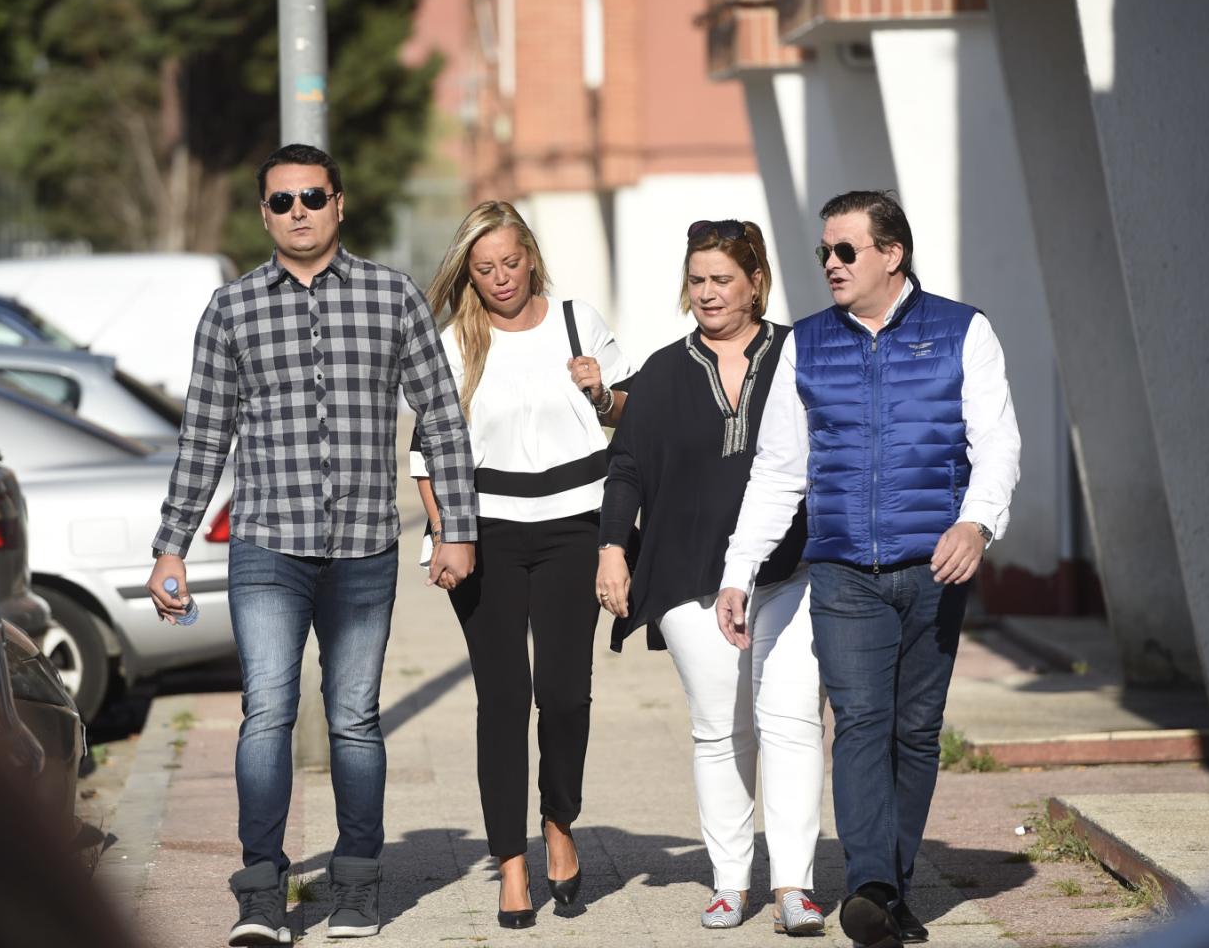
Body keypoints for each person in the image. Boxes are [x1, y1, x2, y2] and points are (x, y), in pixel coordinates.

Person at [145, 144, 479, 945]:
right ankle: (262, 893)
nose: (299, 212)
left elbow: (440, 417)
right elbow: (204, 436)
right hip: (268, 545)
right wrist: (171, 545)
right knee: (267, 712)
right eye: (283, 201)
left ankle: (358, 885)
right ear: (264, 215)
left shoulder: (392, 296)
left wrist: (456, 529)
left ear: (340, 204)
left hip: (365, 545)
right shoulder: (231, 309)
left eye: (313, 197)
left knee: (354, 719)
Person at [717, 191, 1021, 948]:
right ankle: (871, 887)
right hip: (842, 570)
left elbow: (998, 443)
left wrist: (977, 522)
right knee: (859, 721)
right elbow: (778, 469)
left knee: (915, 732)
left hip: (935, 568)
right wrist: (739, 569)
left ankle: (895, 889)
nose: (830, 262)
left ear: (893, 254)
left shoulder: (963, 331)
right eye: (824, 250)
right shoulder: (807, 344)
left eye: (846, 250)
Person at [596, 219, 827, 935]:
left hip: (793, 571)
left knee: (791, 721)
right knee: (721, 728)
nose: (707, 293)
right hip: (687, 577)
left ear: (755, 282)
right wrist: (612, 549)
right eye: (696, 280)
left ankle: (795, 885)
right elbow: (627, 467)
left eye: (722, 279)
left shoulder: (800, 356)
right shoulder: (665, 370)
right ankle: (730, 881)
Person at [411, 199, 634, 929]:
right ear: (468, 274)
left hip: (575, 526)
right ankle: (511, 862)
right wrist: (446, 533)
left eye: (510, 262)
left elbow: (629, 415)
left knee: (564, 694)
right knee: (504, 700)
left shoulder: (576, 321)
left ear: (531, 257)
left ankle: (559, 821)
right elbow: (426, 455)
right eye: (485, 268)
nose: (501, 277)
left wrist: (600, 391)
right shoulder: (454, 343)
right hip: (488, 536)